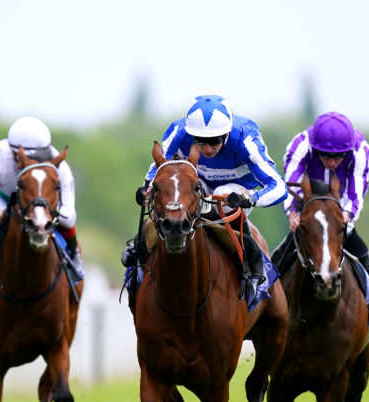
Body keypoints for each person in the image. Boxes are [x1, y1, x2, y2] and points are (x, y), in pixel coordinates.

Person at [122, 94, 287, 302]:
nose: (207, 149)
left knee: (219, 195)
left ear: (227, 134)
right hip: (196, 185)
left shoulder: (246, 138)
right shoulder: (178, 131)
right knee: (171, 201)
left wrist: (251, 198)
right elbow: (160, 167)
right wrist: (146, 188)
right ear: (191, 134)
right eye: (200, 141)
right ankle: (138, 255)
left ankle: (253, 266)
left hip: (234, 194)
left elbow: (279, 186)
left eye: (214, 141)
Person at [272, 111, 369, 315]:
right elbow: (291, 183)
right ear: (314, 147)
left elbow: (357, 189)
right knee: (294, 241)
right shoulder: (300, 145)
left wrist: (346, 214)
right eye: (325, 155)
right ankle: (267, 288)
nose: (332, 161)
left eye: (338, 156)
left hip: (341, 200)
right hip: (308, 202)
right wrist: (293, 212)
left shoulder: (360, 150)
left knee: (351, 236)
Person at [0, 115, 83, 280]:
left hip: (45, 206)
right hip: (3, 201)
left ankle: (75, 259)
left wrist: (49, 214)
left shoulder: (60, 166)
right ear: (13, 152)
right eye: (23, 158)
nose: (31, 163)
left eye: (38, 158)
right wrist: (2, 214)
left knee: (67, 228)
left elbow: (69, 217)